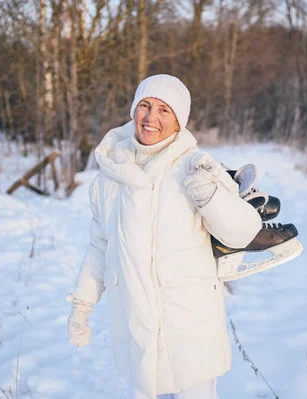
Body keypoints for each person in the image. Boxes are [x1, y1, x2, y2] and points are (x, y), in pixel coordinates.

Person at [66, 74, 261, 399]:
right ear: (133, 110)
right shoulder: (109, 177)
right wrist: (82, 303)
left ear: (178, 121)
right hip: (136, 330)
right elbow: (100, 246)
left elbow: (242, 232)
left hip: (188, 332)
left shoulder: (196, 167)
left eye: (163, 110)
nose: (151, 117)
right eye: (145, 105)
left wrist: (209, 196)